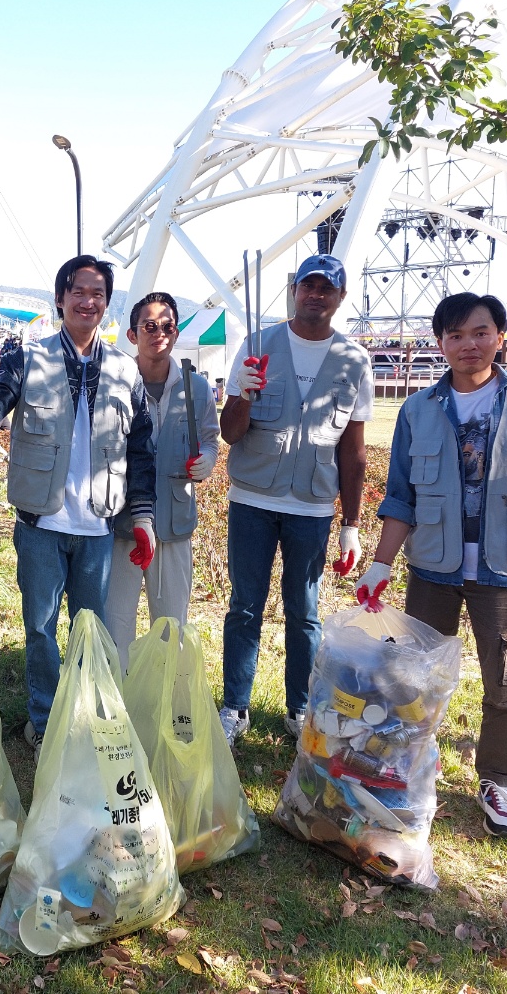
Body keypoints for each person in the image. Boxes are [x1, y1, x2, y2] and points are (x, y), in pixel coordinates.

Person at [354, 291, 507, 839]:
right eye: (456, 334)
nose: (469, 344)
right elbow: (401, 497)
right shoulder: (418, 410)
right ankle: (407, 767)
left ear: (500, 337)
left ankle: (498, 780)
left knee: (504, 681)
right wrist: (380, 565)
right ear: (440, 342)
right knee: (414, 677)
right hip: (432, 568)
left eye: (481, 332)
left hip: (503, 571)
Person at [0, 255, 157, 761]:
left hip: (98, 526)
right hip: (40, 522)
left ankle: (82, 718)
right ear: (60, 299)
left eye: (98, 293)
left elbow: (141, 449)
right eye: (78, 291)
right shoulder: (29, 359)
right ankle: (42, 720)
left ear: (107, 303)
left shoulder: (125, 370)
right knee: (40, 627)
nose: (88, 301)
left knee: (90, 631)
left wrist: (142, 518)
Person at [218, 253, 373, 751]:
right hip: (252, 499)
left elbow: (353, 451)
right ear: (294, 290)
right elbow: (230, 432)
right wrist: (242, 394)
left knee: (304, 612)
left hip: (312, 506)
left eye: (327, 288)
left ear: (340, 297)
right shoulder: (257, 344)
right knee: (245, 606)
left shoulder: (354, 360)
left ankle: (300, 709)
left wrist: (351, 524)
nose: (316, 295)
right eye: (308, 285)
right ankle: (235, 706)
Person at [103, 291, 220, 671]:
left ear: (176, 332)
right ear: (133, 334)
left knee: (171, 625)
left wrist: (208, 460)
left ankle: (166, 695)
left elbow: (210, 437)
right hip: (122, 524)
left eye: (167, 326)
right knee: (115, 624)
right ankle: (117, 696)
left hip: (174, 523)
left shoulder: (196, 387)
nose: (159, 334)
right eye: (149, 326)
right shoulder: (114, 384)